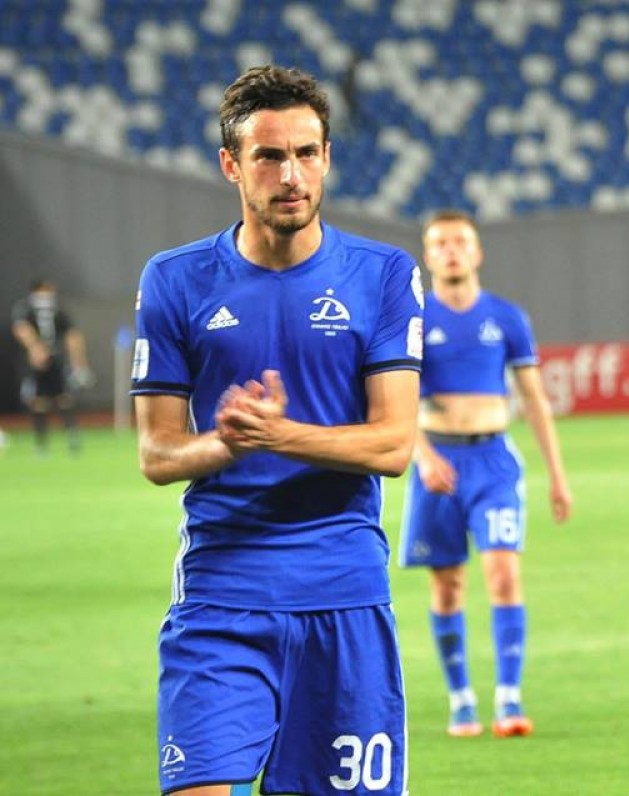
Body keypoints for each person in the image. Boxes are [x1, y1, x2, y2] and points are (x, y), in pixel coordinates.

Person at [131, 65, 423, 796]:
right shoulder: (175, 278)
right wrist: (226, 443)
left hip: (344, 595)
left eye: (306, 153)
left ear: (327, 157)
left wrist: (278, 434)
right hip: (221, 596)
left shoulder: (383, 274)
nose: (291, 175)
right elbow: (158, 451)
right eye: (268, 156)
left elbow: (394, 444)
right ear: (231, 165)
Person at [398, 210, 572, 738]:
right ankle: (461, 699)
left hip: (493, 461)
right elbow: (394, 399)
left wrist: (557, 474)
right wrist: (423, 456)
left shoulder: (507, 317)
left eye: (460, 242)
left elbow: (534, 399)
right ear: (428, 256)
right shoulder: (413, 320)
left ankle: (509, 699)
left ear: (477, 252)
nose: (451, 251)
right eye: (441, 243)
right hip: (439, 462)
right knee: (448, 584)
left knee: (503, 574)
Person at [10, 278, 93, 454]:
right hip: (34, 364)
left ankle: (72, 437)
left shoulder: (58, 310)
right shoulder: (25, 309)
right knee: (38, 401)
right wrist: (35, 348)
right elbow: (21, 329)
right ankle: (41, 443)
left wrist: (78, 362)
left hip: (57, 360)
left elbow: (72, 335)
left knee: (64, 398)